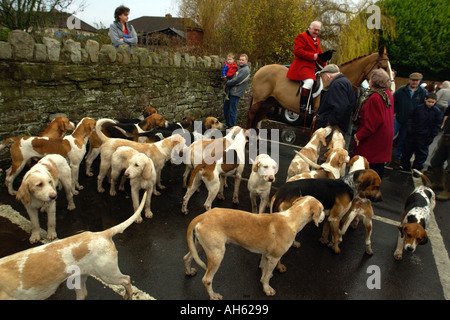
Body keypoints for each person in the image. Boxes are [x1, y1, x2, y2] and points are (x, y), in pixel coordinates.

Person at [353, 69, 394, 179]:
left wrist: (358, 136)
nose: (369, 80)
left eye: (370, 79)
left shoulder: (375, 97)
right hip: (383, 138)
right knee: (378, 168)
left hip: (374, 141)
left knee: (369, 172)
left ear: (374, 82)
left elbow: (372, 124)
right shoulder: (387, 93)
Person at [286, 21, 334, 110]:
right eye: (315, 30)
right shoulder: (302, 36)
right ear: (310, 28)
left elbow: (319, 55)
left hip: (312, 67)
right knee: (309, 82)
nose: (317, 32)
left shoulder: (317, 40)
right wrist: (312, 56)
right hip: (301, 66)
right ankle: (303, 105)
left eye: (318, 30)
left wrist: (325, 62)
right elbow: (297, 51)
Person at [400, 93, 443, 172]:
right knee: (407, 151)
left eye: (432, 102)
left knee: (421, 154)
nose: (430, 104)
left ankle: (416, 169)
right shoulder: (418, 108)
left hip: (425, 136)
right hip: (413, 134)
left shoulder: (437, 112)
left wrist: (432, 136)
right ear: (425, 99)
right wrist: (409, 128)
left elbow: (437, 125)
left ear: (435, 102)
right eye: (429, 101)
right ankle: (405, 166)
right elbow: (411, 117)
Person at [392, 72, 427, 164]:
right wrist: (394, 112)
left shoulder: (422, 93)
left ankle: (398, 156)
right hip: (398, 118)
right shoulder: (401, 90)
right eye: (413, 80)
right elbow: (393, 101)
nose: (414, 82)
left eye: (416, 80)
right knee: (389, 136)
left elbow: (424, 107)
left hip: (410, 121)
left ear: (419, 81)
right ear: (409, 80)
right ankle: (384, 155)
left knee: (403, 139)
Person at [314, 64, 355, 135]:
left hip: (333, 127)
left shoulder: (337, 84)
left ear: (328, 76)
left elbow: (340, 107)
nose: (324, 80)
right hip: (338, 125)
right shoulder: (344, 81)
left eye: (323, 76)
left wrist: (329, 122)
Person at [427, 105, 450, 200]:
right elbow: (447, 113)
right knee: (436, 161)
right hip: (447, 135)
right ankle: (438, 183)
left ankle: (448, 191)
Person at [223, 54, 250, 128]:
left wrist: (227, 82)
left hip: (236, 93)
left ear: (246, 61)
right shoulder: (240, 68)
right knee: (226, 109)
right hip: (231, 92)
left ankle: (232, 127)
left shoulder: (245, 70)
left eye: (242, 60)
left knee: (232, 111)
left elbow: (236, 80)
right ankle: (228, 125)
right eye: (240, 60)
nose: (241, 61)